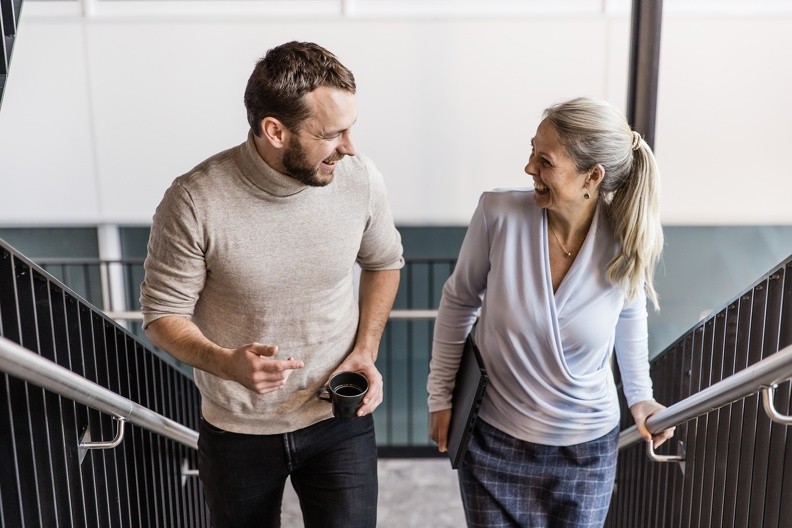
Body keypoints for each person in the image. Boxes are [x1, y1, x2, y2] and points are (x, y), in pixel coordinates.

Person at [139, 41, 403, 528]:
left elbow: (385, 262)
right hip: (237, 430)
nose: (349, 147)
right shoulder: (194, 200)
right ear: (275, 131)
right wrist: (224, 362)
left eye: (351, 127)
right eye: (331, 133)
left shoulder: (360, 179)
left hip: (338, 420)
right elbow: (162, 316)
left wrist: (365, 349)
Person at [427, 97, 675, 528]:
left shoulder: (626, 239)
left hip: (585, 453)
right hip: (491, 443)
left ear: (591, 177)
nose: (529, 169)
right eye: (531, 153)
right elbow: (459, 301)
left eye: (545, 161)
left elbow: (629, 317)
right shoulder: (498, 214)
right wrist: (440, 398)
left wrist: (640, 396)